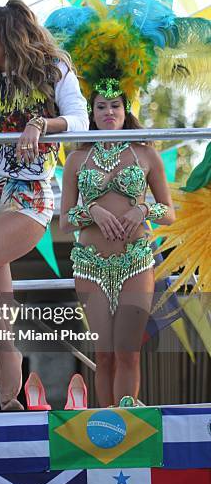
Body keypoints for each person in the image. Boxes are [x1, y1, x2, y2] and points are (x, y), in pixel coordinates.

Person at [0, 0, 88, 410]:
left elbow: (80, 120)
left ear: (7, 35)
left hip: (28, 194)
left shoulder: (53, 68)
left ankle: (11, 369)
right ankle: (11, 400)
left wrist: (41, 123)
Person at [60, 79, 175, 407]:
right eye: (101, 106)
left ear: (126, 111)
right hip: (89, 264)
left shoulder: (146, 154)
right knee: (105, 354)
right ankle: (106, 428)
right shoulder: (76, 160)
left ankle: (128, 426)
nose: (108, 112)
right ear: (91, 113)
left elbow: (169, 213)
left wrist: (142, 209)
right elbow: (66, 221)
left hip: (136, 261)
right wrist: (92, 211)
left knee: (128, 352)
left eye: (115, 106)